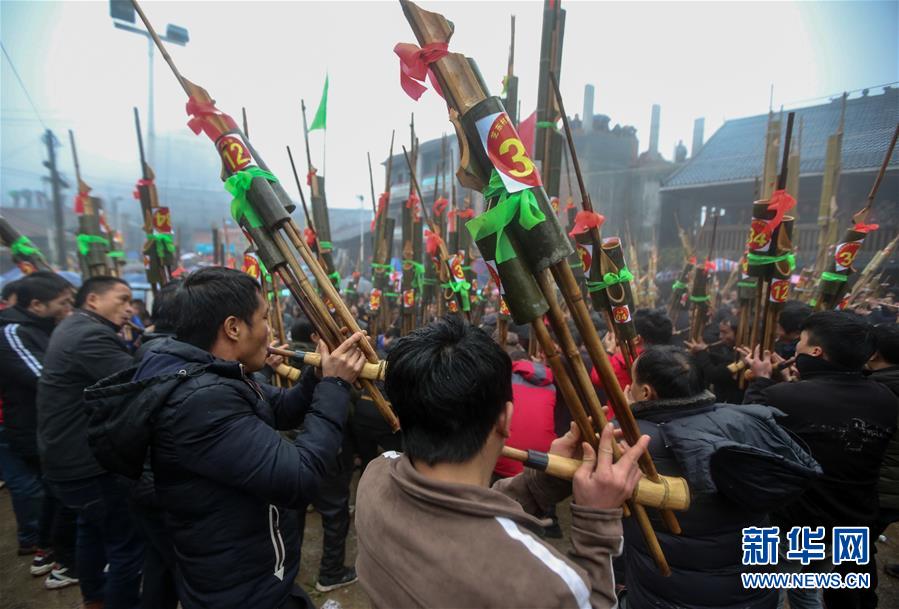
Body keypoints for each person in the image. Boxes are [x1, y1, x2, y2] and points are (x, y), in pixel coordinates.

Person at [85, 267, 365, 609]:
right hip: (239, 585)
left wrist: (318, 375)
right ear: (233, 328)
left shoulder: (208, 370)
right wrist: (335, 386)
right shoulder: (200, 397)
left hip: (249, 570)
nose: (270, 330)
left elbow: (280, 408)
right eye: (264, 318)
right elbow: (300, 477)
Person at [355, 316, 650, 609]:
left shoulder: (376, 475)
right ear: (505, 419)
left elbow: (459, 510)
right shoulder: (543, 583)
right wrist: (596, 520)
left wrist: (545, 480)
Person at [622, 345, 819, 609]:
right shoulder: (742, 419)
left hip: (670, 597)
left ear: (645, 392)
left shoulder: (631, 441)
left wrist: (630, 418)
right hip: (752, 591)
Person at [742, 311, 898, 609]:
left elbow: (747, 433)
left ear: (816, 351)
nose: (796, 348)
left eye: (800, 342)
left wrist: (761, 381)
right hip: (850, 521)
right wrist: (793, 385)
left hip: (790, 524)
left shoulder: (783, 397)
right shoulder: (886, 399)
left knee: (766, 590)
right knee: (808, 590)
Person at [37, 276, 143, 609]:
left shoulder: (73, 326)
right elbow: (138, 382)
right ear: (93, 300)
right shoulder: (90, 336)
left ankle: (94, 597)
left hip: (65, 457)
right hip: (87, 461)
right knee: (127, 545)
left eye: (131, 302)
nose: (129, 309)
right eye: (122, 299)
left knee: (92, 531)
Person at [0, 271, 79, 589]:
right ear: (36, 305)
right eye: (63, 303)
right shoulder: (13, 332)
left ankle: (48, 551)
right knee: (55, 493)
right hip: (31, 427)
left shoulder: (42, 328)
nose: (68, 309)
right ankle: (60, 557)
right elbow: (47, 377)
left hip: (48, 426)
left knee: (54, 493)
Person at [288, 316, 359, 593]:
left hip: (291, 445)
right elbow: (345, 409)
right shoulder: (322, 363)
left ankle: (290, 567)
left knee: (294, 509)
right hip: (323, 446)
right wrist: (340, 385)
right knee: (334, 512)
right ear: (315, 337)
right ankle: (331, 572)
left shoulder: (283, 356)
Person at [131, 279, 182, 609]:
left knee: (160, 564)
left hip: (148, 479)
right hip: (161, 483)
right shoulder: (170, 358)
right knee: (181, 565)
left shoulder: (152, 347)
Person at [867, 324, 899, 589]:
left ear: (874, 353)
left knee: (852, 554)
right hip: (891, 490)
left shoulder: (877, 390)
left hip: (879, 488)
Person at [591, 307, 672, 390]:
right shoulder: (670, 363)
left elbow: (597, 379)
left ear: (637, 339)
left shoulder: (623, 362)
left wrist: (608, 351)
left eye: (628, 332)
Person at [685, 314, 744, 403]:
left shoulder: (744, 355)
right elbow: (724, 360)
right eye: (720, 332)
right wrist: (704, 352)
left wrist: (702, 353)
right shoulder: (731, 350)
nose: (720, 336)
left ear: (738, 333)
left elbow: (713, 375)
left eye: (724, 332)